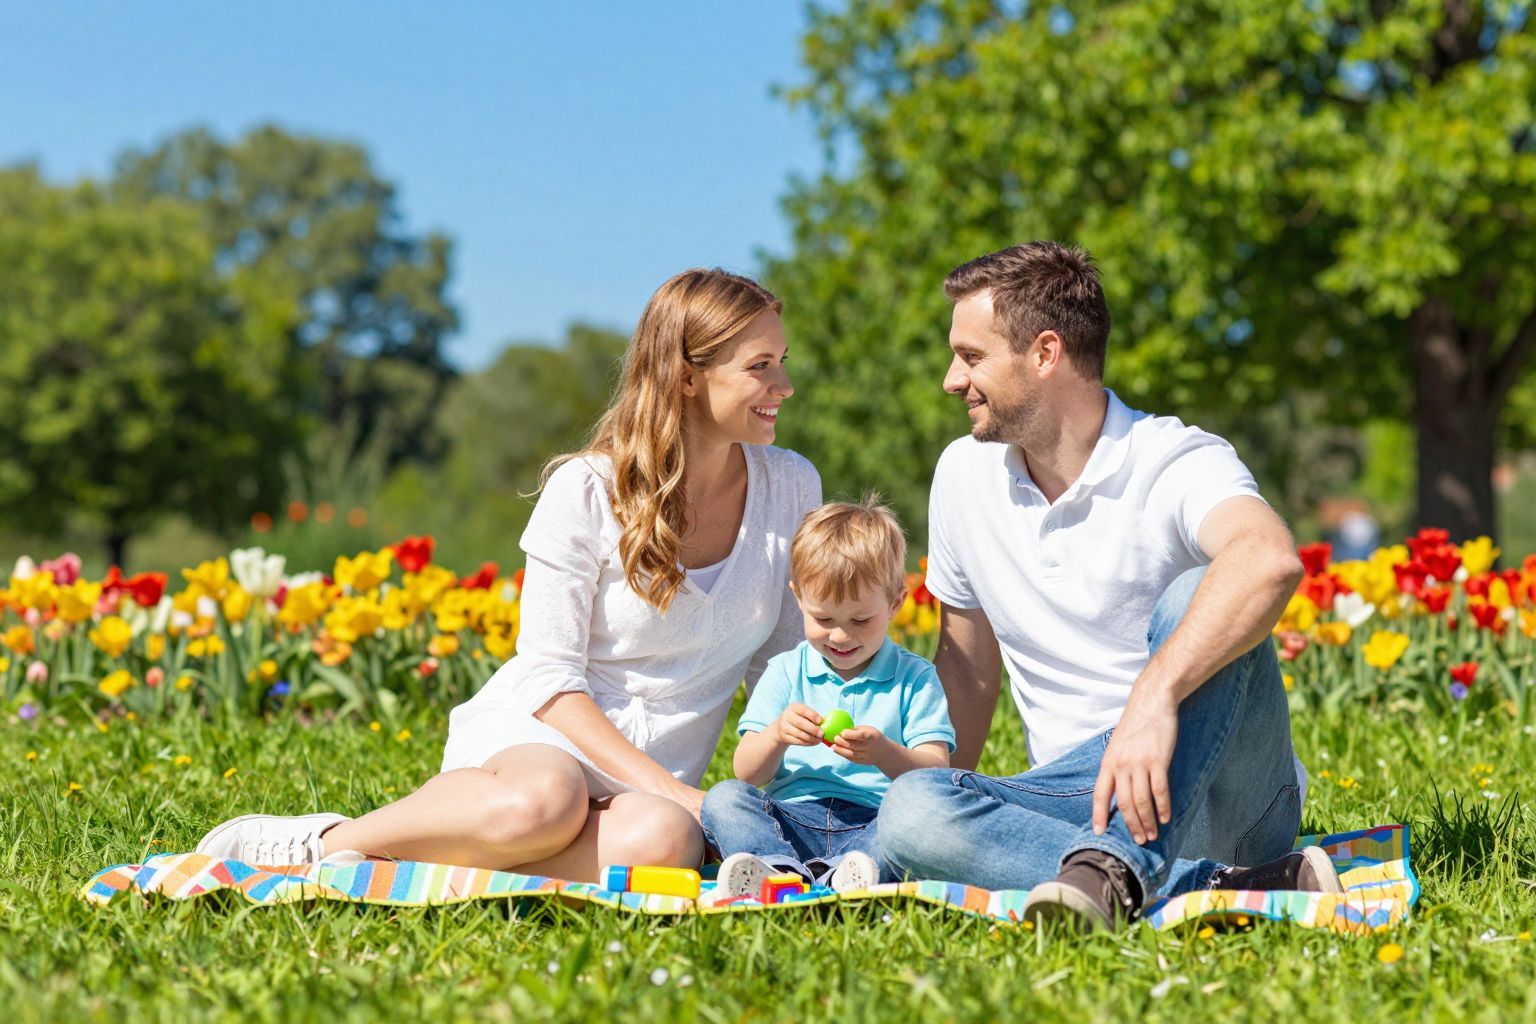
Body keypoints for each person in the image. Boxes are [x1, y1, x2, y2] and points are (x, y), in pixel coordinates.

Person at [195, 268, 821, 882]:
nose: (784, 385)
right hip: (539, 740)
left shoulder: (791, 487)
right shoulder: (587, 490)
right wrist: (674, 791)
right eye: (760, 366)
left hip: (653, 783)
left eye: (782, 360)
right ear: (687, 377)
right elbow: (549, 680)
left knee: (667, 844)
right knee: (545, 806)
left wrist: (824, 793)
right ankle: (324, 840)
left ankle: (432, 856)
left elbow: (784, 669)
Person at [875, 242, 1340, 931]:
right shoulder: (962, 476)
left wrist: (1152, 699)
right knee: (911, 808)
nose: (951, 379)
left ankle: (1119, 868)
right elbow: (969, 672)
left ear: (1045, 353)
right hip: (1076, 796)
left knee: (1197, 592)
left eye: (971, 357)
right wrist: (942, 792)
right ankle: (1230, 887)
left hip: (1221, 794)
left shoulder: (1175, 460)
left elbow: (1268, 558)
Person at [702, 499, 954, 897]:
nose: (840, 636)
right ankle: (774, 864)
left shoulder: (916, 678)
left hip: (875, 819)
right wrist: (777, 735)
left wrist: (884, 752)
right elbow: (747, 773)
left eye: (860, 620)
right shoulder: (785, 671)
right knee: (724, 798)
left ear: (894, 604)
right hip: (792, 821)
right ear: (799, 597)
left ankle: (849, 872)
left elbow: (935, 775)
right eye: (823, 619)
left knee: (913, 828)